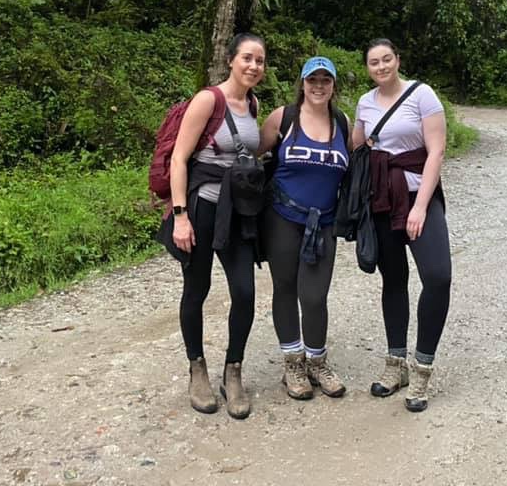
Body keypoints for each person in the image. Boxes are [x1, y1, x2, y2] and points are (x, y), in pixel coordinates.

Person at [168, 33, 265, 419]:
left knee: (245, 292)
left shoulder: (253, 104)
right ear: (231, 60)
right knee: (197, 289)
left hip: (237, 212)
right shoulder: (208, 100)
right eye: (247, 58)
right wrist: (180, 216)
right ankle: (197, 369)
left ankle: (233, 370)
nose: (253, 66)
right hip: (202, 208)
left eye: (260, 60)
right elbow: (179, 158)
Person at [352, 38, 450, 412]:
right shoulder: (365, 102)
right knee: (393, 280)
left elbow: (436, 151)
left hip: (418, 196)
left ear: (398, 60)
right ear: (367, 68)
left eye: (387, 59)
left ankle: (422, 367)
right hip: (381, 199)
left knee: (437, 277)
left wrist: (421, 206)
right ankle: (396, 363)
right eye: (374, 62)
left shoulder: (422, 95)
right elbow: (357, 146)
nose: (381, 67)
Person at [258, 56, 350, 400]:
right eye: (313, 80)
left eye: (326, 80)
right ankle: (293, 363)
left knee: (314, 296)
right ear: (302, 83)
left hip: (323, 221)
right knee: (284, 288)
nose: (319, 86)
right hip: (282, 217)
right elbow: (252, 156)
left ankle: (317, 361)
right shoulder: (283, 118)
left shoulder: (342, 123)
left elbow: (356, 167)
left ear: (333, 86)